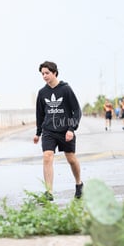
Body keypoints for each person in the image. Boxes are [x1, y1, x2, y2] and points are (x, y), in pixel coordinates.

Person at [33, 61, 83, 201]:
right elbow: (40, 114)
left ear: (54, 73)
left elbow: (76, 111)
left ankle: (79, 184)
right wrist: (38, 133)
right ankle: (49, 192)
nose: (44, 76)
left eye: (47, 73)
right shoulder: (42, 93)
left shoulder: (66, 89)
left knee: (71, 159)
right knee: (47, 156)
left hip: (66, 130)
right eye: (42, 74)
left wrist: (71, 129)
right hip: (49, 130)